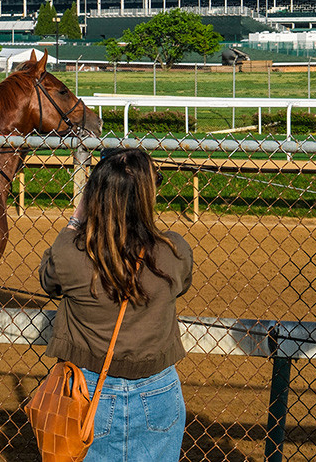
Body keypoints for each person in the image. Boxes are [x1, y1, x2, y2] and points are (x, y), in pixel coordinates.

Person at [39, 148, 193, 462]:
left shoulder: (70, 251)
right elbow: (182, 285)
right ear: (148, 196)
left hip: (86, 390)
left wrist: (75, 219)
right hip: (158, 389)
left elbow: (48, 280)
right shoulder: (174, 251)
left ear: (94, 196)